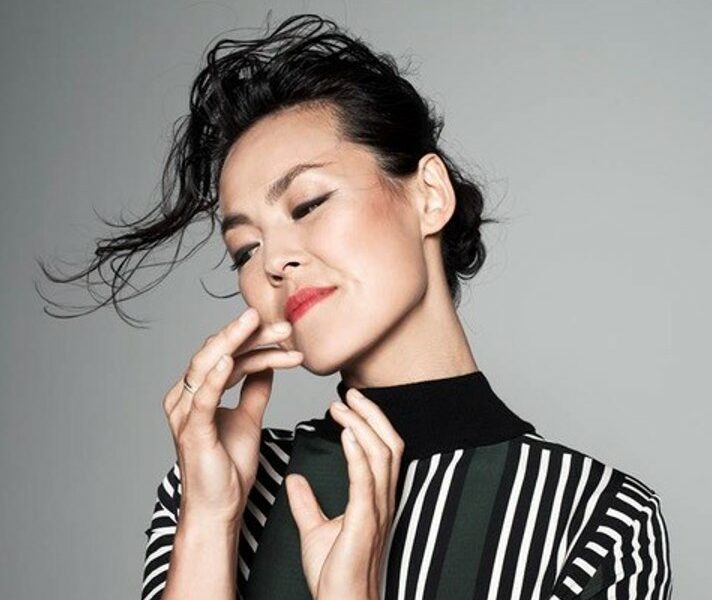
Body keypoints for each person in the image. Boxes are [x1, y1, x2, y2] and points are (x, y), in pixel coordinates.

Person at [37, 12, 672, 600]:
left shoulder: (598, 520)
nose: (274, 261)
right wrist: (210, 518)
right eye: (244, 249)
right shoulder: (217, 480)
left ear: (429, 195)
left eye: (308, 204)